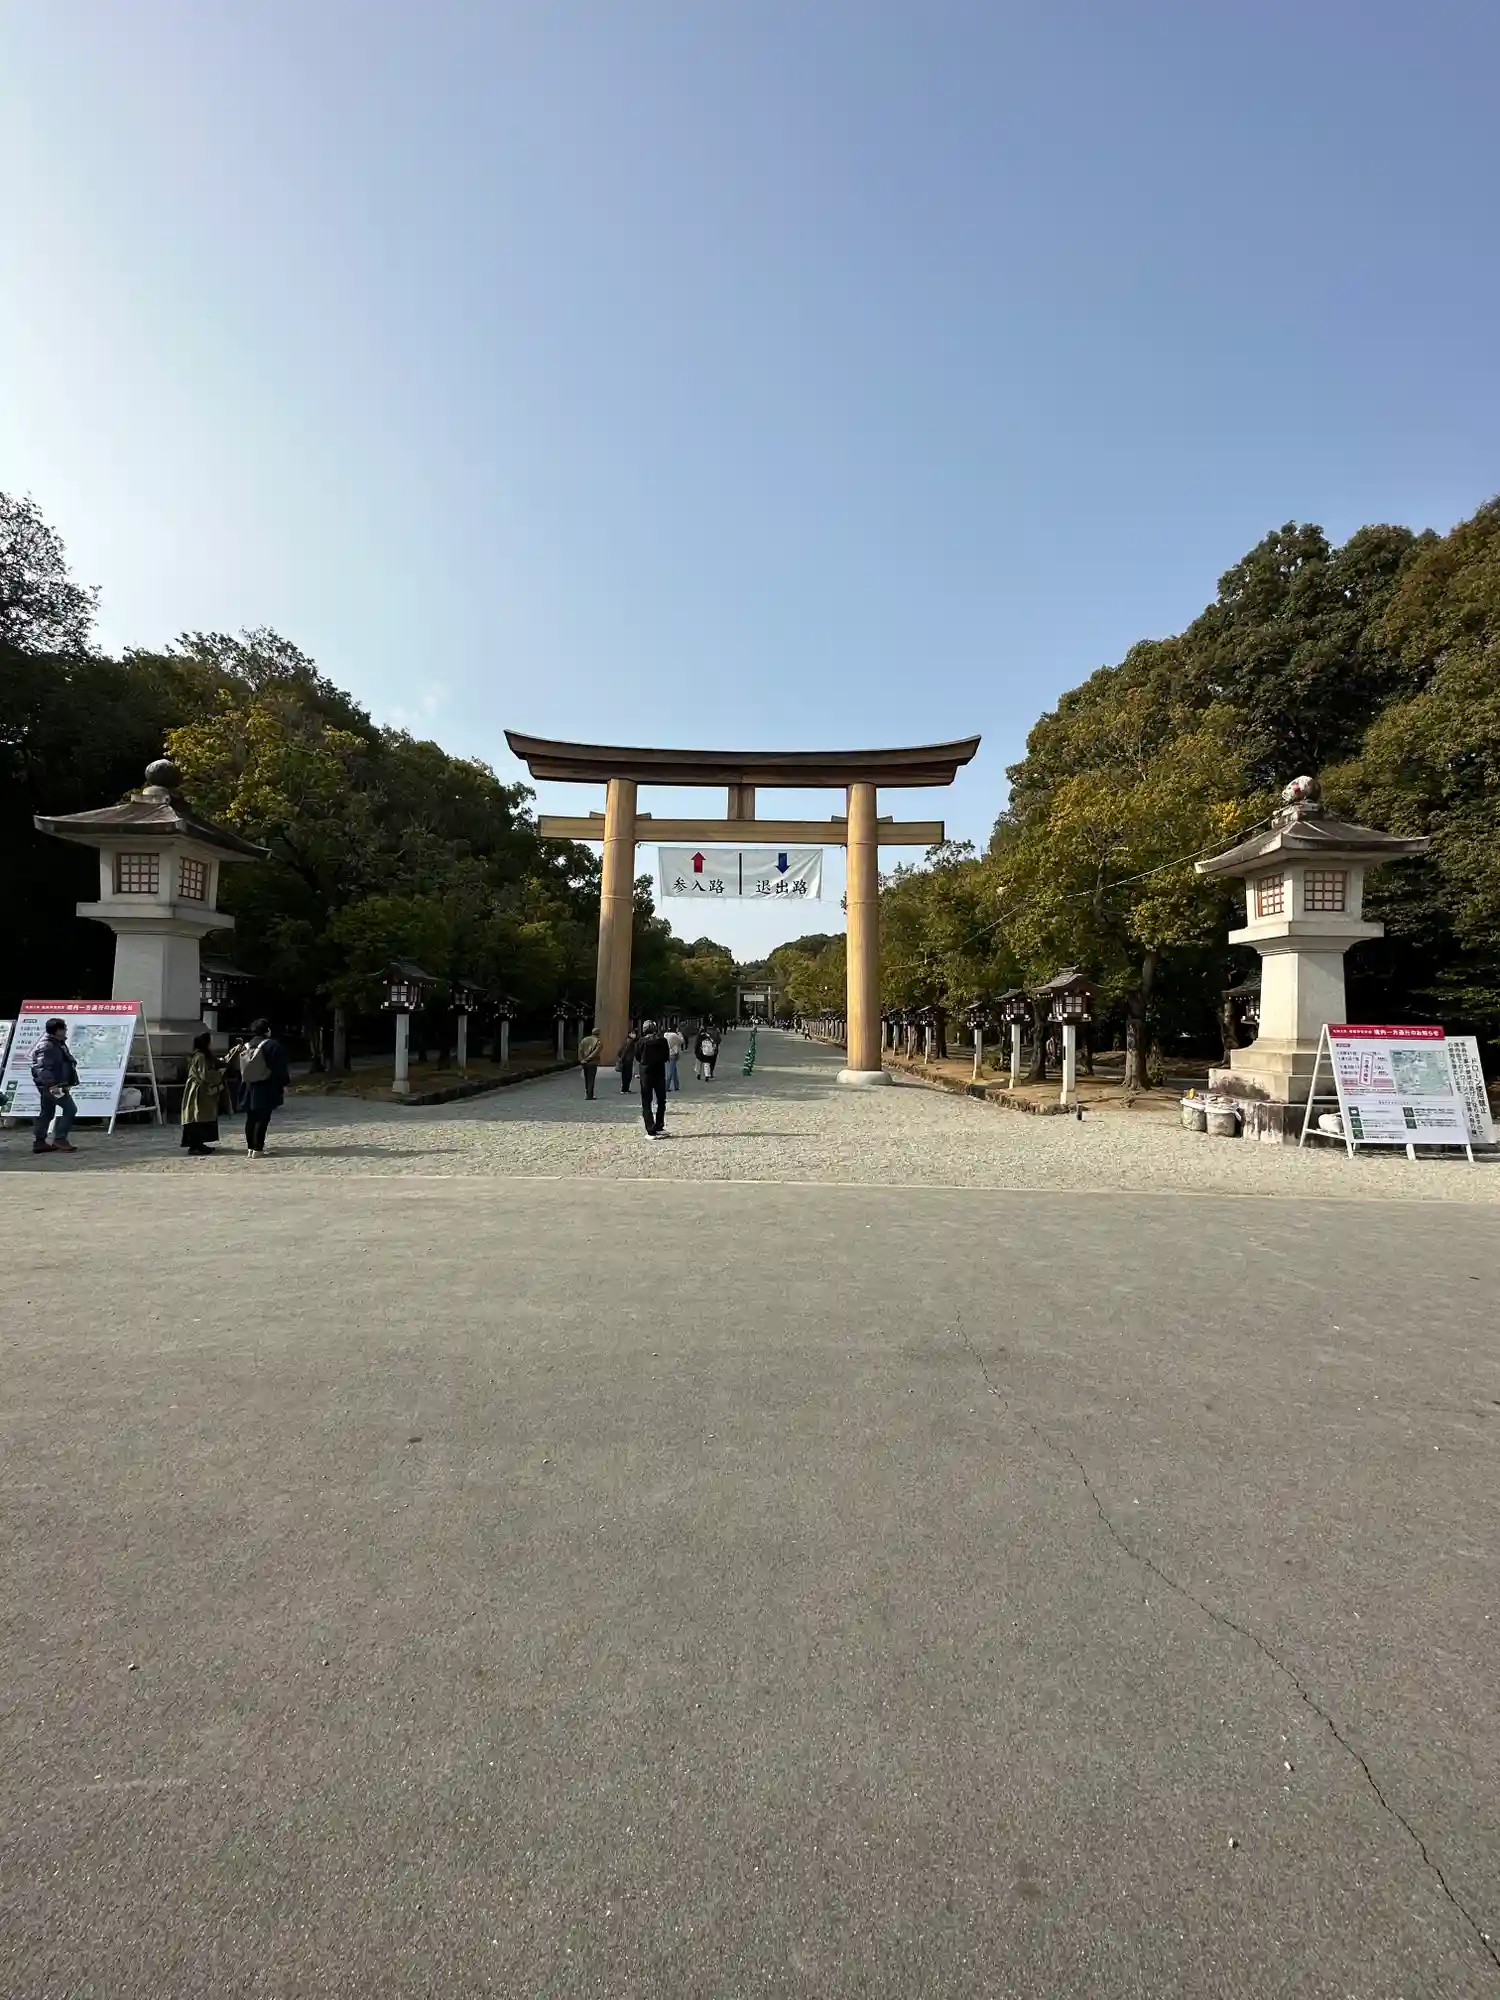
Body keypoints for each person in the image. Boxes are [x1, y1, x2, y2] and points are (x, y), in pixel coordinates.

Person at [239, 1016, 290, 1156]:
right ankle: (258, 1148)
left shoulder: (247, 1045)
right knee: (262, 1118)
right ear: (267, 1030)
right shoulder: (272, 1045)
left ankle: (250, 1148)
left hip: (248, 1086)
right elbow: (280, 1068)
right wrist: (284, 1084)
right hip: (266, 1086)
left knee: (250, 1118)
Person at [30, 1017, 80, 1155]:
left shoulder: (56, 1044)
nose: (66, 1031)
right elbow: (42, 1068)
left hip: (52, 1085)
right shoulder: (48, 1046)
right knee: (70, 1109)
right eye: (64, 1028)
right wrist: (52, 1085)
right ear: (58, 1030)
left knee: (47, 1112)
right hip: (53, 1086)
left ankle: (40, 1142)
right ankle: (60, 1139)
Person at [179, 1031, 225, 1155]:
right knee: (197, 1117)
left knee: (199, 1116)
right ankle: (195, 1145)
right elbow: (206, 1075)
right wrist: (219, 1074)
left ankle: (198, 1144)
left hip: (197, 1089)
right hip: (199, 1091)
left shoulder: (199, 1055)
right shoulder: (201, 1056)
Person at [635, 1018, 671, 1138]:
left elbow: (638, 1057)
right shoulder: (662, 1041)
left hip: (646, 1073)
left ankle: (650, 1129)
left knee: (646, 1101)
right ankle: (659, 1125)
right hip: (659, 1072)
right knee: (661, 1100)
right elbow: (666, 1057)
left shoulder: (641, 1042)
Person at [578, 1026, 603, 1100]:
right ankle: (590, 1095)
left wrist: (582, 1060)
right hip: (592, 1062)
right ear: (598, 1033)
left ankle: (587, 1093)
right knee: (591, 1079)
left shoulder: (584, 1040)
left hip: (584, 1063)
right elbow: (595, 1053)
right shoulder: (598, 1042)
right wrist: (587, 1059)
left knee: (586, 1078)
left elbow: (580, 1050)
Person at [616, 1027, 638, 1094]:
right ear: (629, 1034)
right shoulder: (630, 1041)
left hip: (626, 1060)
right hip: (627, 1060)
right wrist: (621, 1059)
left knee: (625, 1074)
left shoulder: (627, 1040)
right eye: (633, 1033)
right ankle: (625, 1089)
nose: (634, 1035)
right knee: (627, 1075)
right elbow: (625, 1051)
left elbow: (621, 1050)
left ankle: (625, 1089)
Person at [664, 1023, 685, 1091]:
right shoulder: (674, 1035)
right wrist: (680, 1035)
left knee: (674, 1070)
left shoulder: (665, 1034)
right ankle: (666, 1087)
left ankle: (676, 1085)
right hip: (673, 1054)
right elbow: (681, 1041)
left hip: (667, 1053)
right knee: (671, 1071)